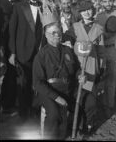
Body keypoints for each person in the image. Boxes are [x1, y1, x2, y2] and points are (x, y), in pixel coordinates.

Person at [32, 9, 79, 139]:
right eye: (52, 33)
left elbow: (77, 70)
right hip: (48, 91)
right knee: (53, 113)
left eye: (58, 32)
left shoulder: (68, 50)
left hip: (67, 88)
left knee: (82, 106)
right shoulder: (41, 55)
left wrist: (80, 75)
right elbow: (37, 83)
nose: (57, 35)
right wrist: (57, 97)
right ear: (46, 35)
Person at [63, 0, 105, 134]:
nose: (87, 12)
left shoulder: (98, 29)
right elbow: (67, 39)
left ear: (93, 11)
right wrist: (68, 41)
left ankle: (88, 125)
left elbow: (102, 51)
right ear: (80, 13)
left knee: (90, 102)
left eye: (89, 9)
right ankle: (75, 123)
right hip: (77, 67)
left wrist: (102, 68)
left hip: (92, 67)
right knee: (77, 98)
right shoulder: (75, 27)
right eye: (84, 10)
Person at [8, 0, 43, 119]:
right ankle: (23, 113)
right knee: (24, 83)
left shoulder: (45, 7)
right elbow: (12, 30)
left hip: (40, 52)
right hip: (23, 51)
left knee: (38, 82)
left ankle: (35, 109)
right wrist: (12, 52)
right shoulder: (18, 6)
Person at [96, 0, 116, 116]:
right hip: (100, 50)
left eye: (110, 1)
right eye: (105, 1)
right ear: (101, 2)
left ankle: (109, 105)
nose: (108, 3)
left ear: (113, 1)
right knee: (99, 78)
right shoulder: (98, 16)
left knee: (111, 80)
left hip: (113, 49)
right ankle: (97, 104)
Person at [0, 0, 19, 115]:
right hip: (4, 45)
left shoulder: (20, 2)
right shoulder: (1, 3)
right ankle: (5, 105)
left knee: (16, 75)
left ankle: (12, 103)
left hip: (19, 44)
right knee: (6, 76)